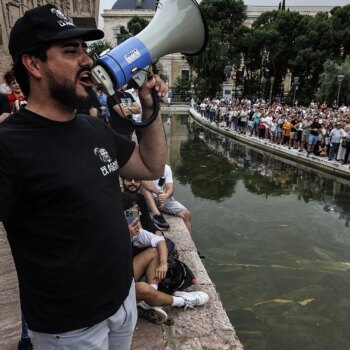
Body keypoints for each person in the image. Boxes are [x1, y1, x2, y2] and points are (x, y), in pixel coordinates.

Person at [0, 4, 167, 350]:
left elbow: (151, 166)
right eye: (71, 51)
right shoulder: (9, 145)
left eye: (85, 50)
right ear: (33, 64)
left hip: (121, 303)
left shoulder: (94, 127)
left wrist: (149, 105)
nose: (88, 61)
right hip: (70, 326)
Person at [122, 193, 209, 325]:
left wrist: (163, 264)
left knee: (154, 252)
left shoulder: (134, 230)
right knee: (142, 289)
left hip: (125, 274)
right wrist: (123, 235)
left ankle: (151, 299)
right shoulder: (108, 233)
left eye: (138, 211)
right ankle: (181, 301)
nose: (138, 216)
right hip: (110, 287)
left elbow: (159, 240)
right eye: (133, 213)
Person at [142, 164, 192, 235]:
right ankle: (157, 215)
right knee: (144, 186)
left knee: (187, 214)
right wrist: (158, 192)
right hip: (145, 199)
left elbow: (170, 187)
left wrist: (166, 195)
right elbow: (143, 181)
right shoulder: (142, 166)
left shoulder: (166, 168)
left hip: (161, 199)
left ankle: (188, 243)